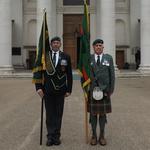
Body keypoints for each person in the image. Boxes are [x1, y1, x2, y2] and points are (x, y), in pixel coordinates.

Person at [35, 36, 73, 146]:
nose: (56, 44)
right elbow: (39, 72)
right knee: (50, 114)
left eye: (57, 42)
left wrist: (69, 89)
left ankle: (57, 136)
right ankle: (50, 136)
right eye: (54, 43)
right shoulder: (44, 57)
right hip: (48, 90)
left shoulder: (66, 56)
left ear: (60, 44)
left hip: (61, 90)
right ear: (51, 45)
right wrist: (38, 88)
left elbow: (69, 74)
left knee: (58, 114)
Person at [88, 39, 115, 146]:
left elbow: (112, 75)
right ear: (93, 47)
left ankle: (102, 136)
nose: (98, 47)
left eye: (100, 45)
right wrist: (86, 89)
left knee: (103, 115)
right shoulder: (89, 59)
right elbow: (84, 75)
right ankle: (94, 136)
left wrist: (111, 89)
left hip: (104, 91)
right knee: (93, 115)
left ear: (103, 47)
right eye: (96, 45)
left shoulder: (108, 58)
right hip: (92, 90)